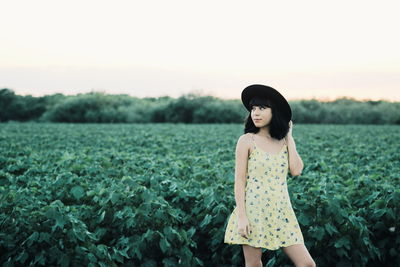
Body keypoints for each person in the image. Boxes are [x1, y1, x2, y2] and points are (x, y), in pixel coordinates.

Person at [224, 84, 316, 267]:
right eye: (253, 108)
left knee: (307, 264)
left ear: (275, 112)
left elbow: (296, 170)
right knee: (255, 265)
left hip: (282, 211)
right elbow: (239, 181)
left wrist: (289, 137)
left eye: (262, 108)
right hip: (253, 210)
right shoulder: (247, 140)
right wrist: (242, 217)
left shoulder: (283, 142)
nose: (256, 113)